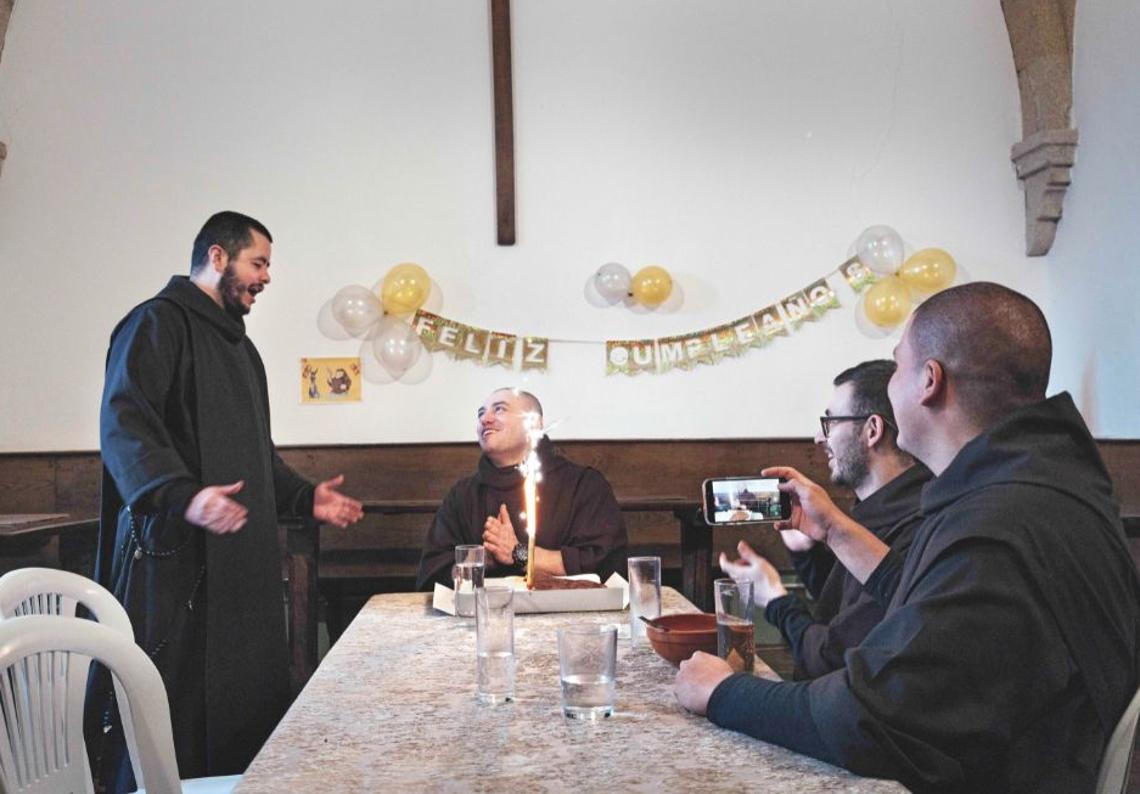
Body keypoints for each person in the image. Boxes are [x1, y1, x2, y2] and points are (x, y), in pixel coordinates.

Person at [674, 282, 1140, 793]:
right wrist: (832, 530)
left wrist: (722, 692)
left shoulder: (999, 528)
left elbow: (868, 718)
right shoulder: (1037, 482)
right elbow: (924, 599)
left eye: (897, 366)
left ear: (929, 382)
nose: (892, 384)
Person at [89, 211, 364, 791]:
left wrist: (304, 496)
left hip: (240, 576)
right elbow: (125, 427)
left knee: (243, 718)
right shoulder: (154, 325)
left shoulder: (243, 352)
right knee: (172, 718)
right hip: (171, 567)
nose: (266, 278)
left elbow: (256, 456)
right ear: (218, 257)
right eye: (258, 263)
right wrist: (183, 498)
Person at [720, 360, 930, 679]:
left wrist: (776, 600)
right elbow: (849, 607)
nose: (819, 437)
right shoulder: (880, 508)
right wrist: (807, 551)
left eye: (830, 422)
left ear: (872, 430)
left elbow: (830, 658)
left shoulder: (914, 526)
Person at [416, 387, 628, 588]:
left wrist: (518, 553)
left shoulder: (583, 485)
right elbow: (433, 575)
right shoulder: (462, 495)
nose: (485, 419)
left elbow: (603, 565)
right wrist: (481, 559)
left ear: (534, 423)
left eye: (499, 409)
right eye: (481, 413)